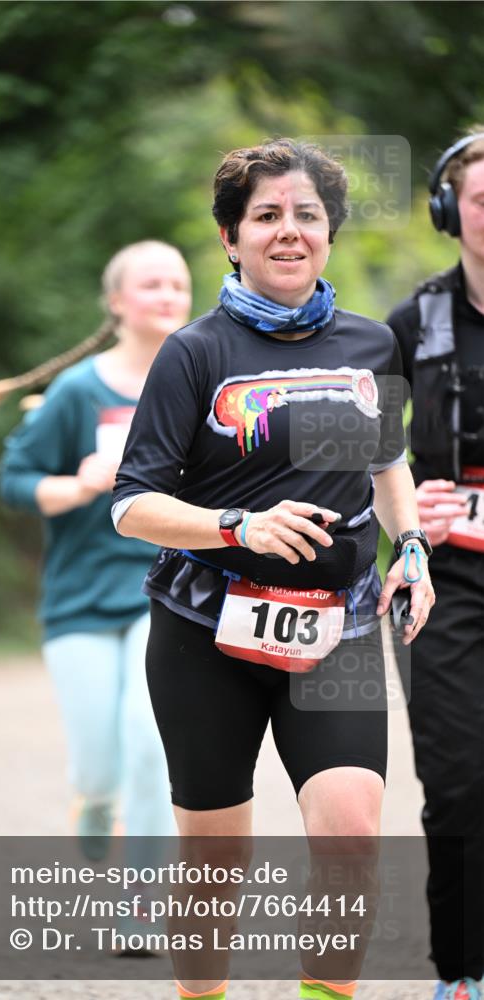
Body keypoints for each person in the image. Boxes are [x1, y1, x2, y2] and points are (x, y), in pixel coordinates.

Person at [111, 140, 435, 1000]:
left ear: (327, 235)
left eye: (305, 216)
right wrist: (238, 524)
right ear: (230, 237)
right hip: (203, 633)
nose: (286, 232)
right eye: (265, 217)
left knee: (352, 835)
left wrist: (409, 549)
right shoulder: (194, 353)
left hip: (337, 629)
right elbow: (131, 504)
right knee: (215, 860)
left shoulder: (370, 344)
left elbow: (387, 461)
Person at [0, 241, 191, 859]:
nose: (168, 294)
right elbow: (14, 482)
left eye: (177, 283)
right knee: (99, 766)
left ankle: (140, 899)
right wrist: (81, 484)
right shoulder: (75, 391)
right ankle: (92, 802)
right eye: (152, 284)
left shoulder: (200, 384)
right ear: (117, 302)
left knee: (150, 742)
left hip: (168, 592)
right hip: (81, 596)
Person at [386, 129, 484, 1000]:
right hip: (441, 584)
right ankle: (463, 973)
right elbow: (355, 451)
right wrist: (412, 498)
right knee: (457, 781)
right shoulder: (413, 324)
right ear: (450, 213)